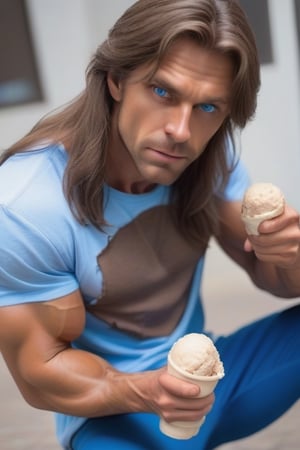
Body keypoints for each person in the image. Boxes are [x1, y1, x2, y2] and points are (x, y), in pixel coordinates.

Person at [0, 0, 299, 448]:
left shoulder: (213, 158)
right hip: (115, 414)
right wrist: (147, 391)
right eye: (163, 92)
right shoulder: (25, 206)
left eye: (208, 107)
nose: (181, 130)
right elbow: (39, 373)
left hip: (212, 384)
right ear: (116, 79)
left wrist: (289, 255)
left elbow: (276, 280)